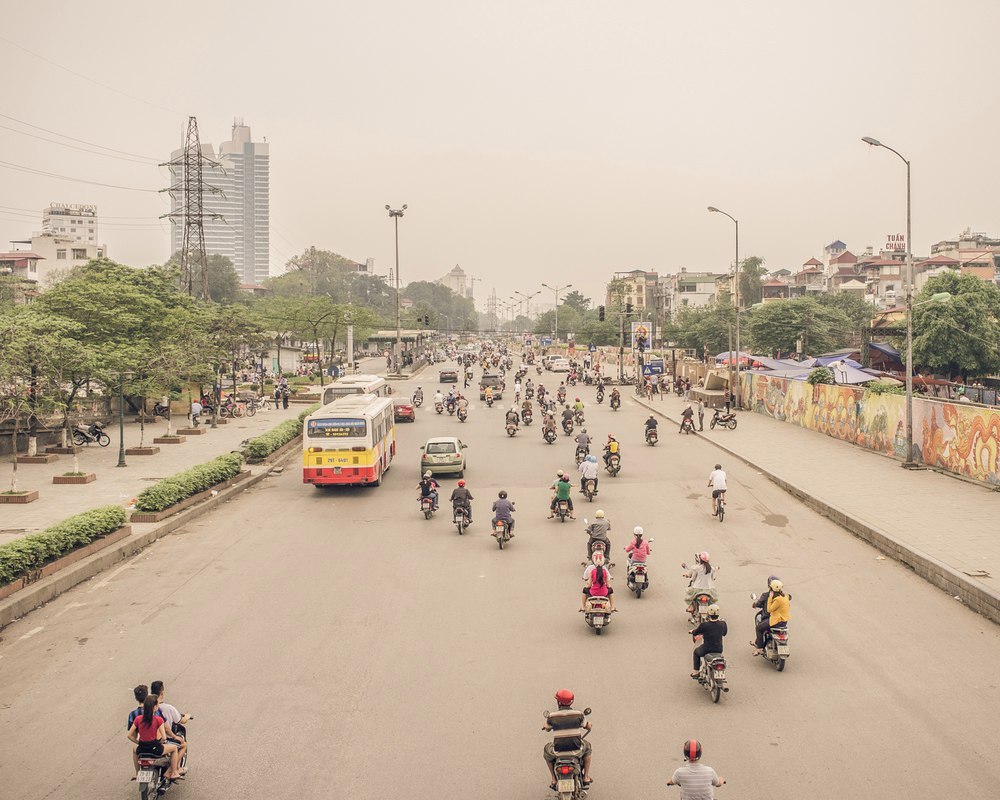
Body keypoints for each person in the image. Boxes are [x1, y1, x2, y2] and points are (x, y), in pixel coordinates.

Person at [542, 690, 593, 788]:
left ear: (559, 702)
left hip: (558, 751)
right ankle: (586, 777)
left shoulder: (552, 716)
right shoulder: (579, 714)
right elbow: (588, 726)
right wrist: (589, 725)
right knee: (588, 747)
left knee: (546, 750)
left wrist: (545, 726)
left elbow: (547, 728)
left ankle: (553, 779)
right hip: (577, 750)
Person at [127, 694, 183, 780]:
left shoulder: (138, 719)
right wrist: (159, 743)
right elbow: (164, 737)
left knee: (134, 750)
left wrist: (139, 743)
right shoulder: (158, 719)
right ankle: (174, 772)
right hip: (155, 749)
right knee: (174, 748)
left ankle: (138, 773)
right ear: (155, 707)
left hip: (142, 749)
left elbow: (129, 735)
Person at [690, 605, 728, 677]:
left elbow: (696, 632)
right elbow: (724, 633)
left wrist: (692, 631)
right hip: (718, 649)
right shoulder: (723, 624)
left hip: (706, 649)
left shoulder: (704, 625)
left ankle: (696, 672)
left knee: (696, 652)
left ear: (708, 613)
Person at [753, 579, 790, 654]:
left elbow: (769, 609)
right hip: (784, 622)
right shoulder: (785, 597)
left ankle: (760, 648)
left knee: (759, 628)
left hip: (776, 621)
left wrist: (770, 598)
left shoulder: (777, 599)